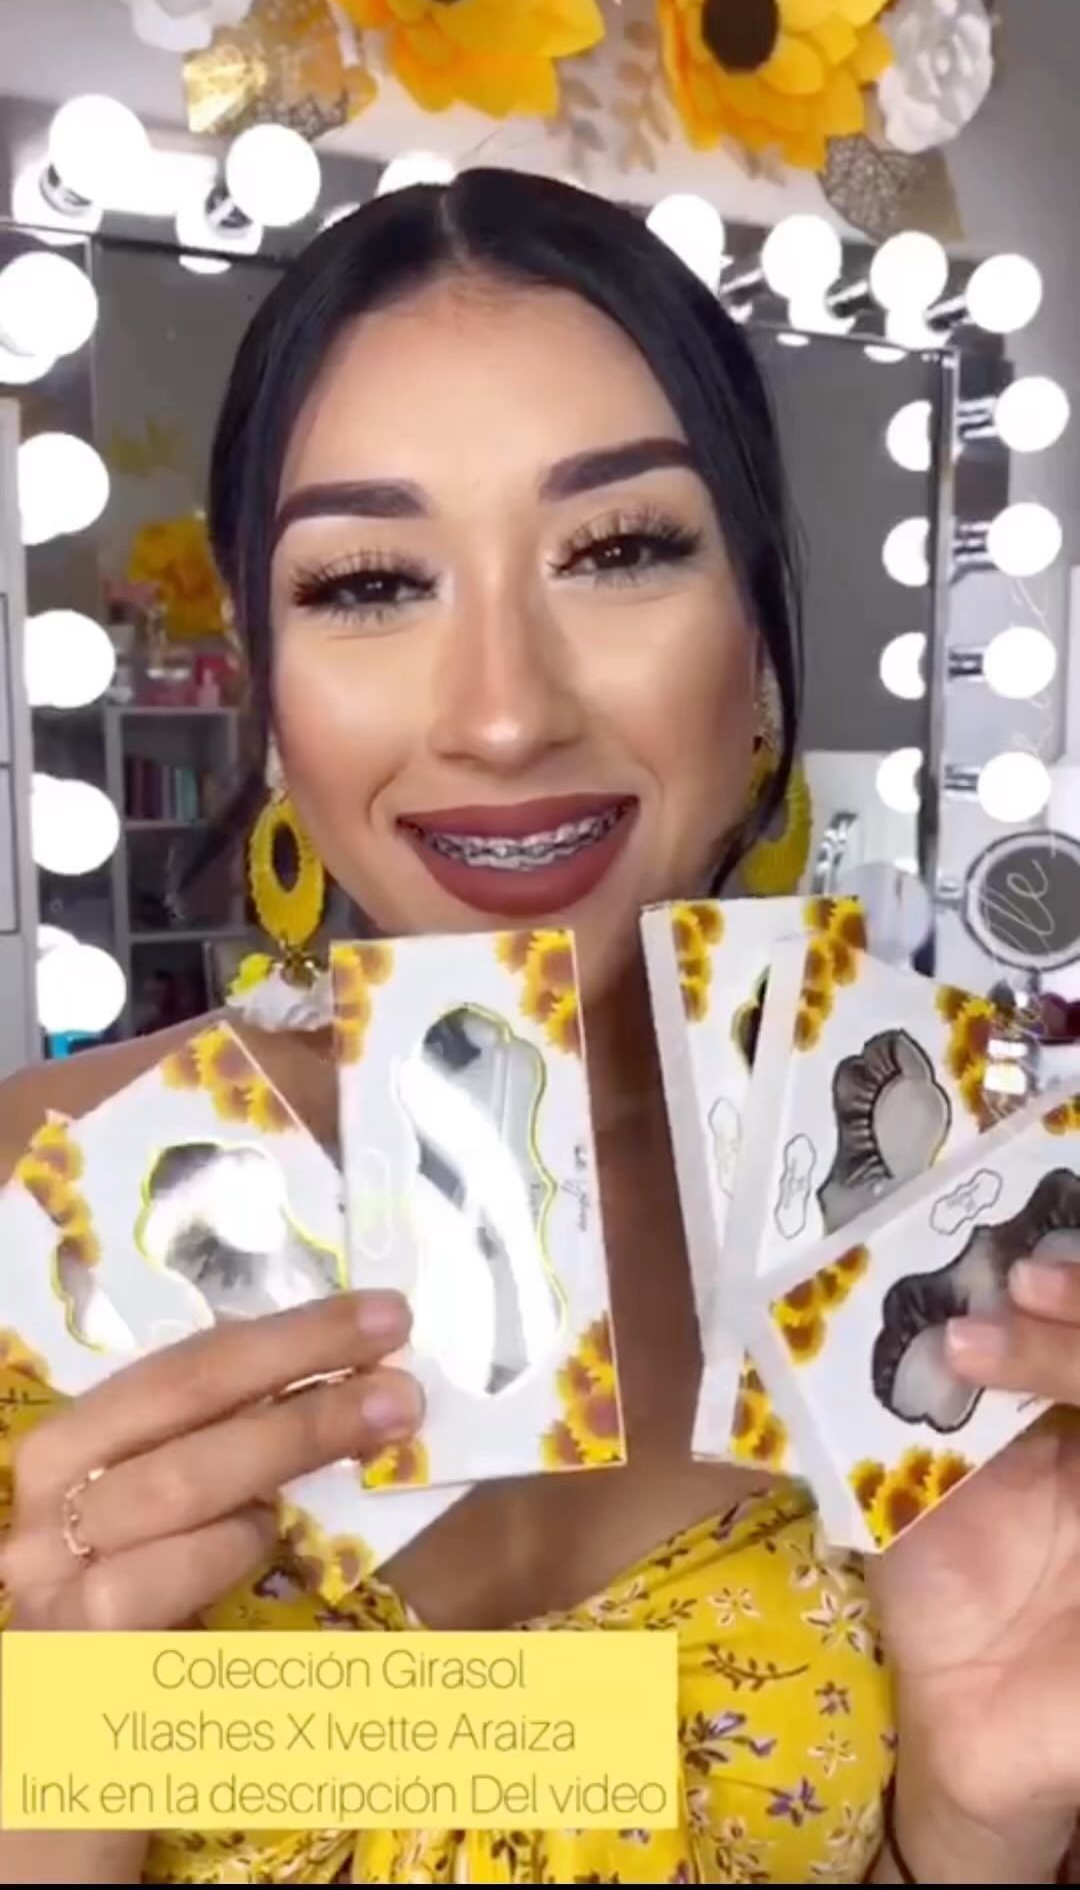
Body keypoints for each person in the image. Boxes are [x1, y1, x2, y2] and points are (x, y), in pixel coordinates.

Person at [0, 171, 1078, 1887]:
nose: (503, 714)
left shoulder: (960, 1220)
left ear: (762, 644)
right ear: (267, 682)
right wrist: (58, 1781)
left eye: (620, 550)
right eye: (371, 581)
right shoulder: (28, 1199)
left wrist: (978, 1821)